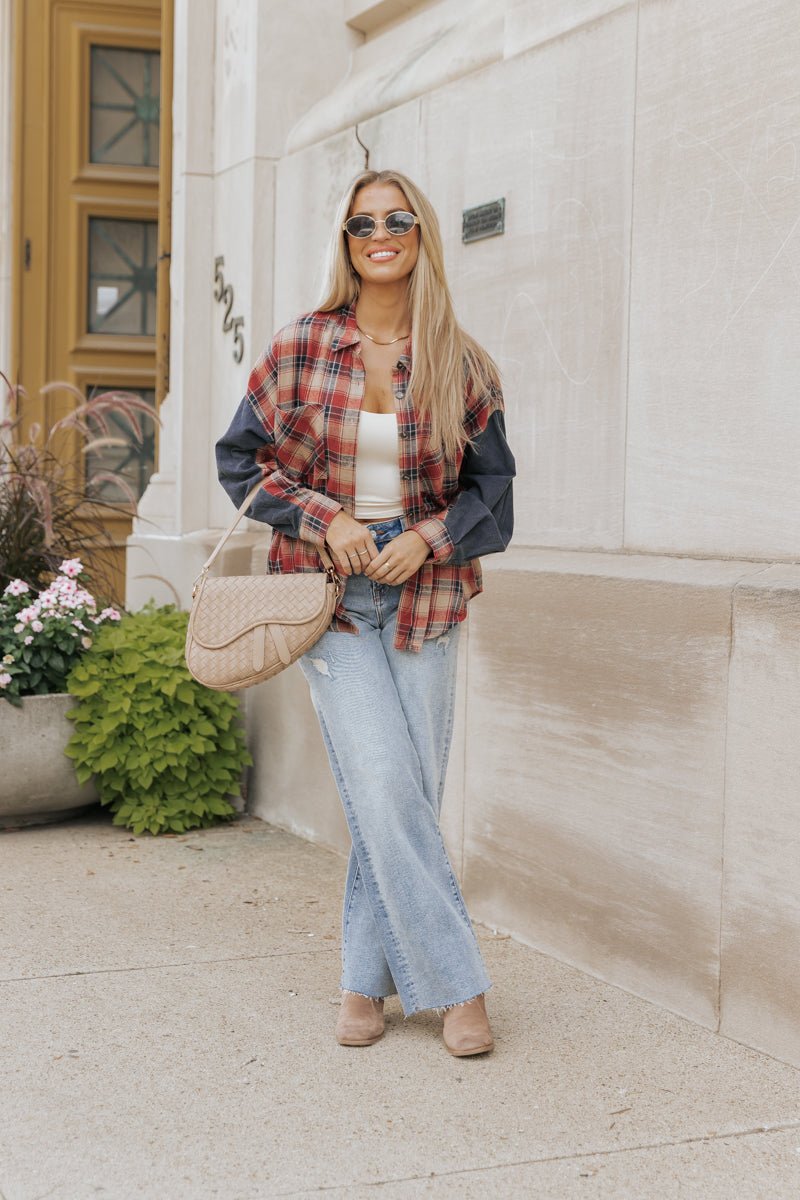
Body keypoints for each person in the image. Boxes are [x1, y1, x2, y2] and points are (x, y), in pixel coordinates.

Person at [216, 168, 515, 1056]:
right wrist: (328, 519)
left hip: (426, 598)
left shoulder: (463, 362)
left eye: (396, 220)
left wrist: (426, 537)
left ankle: (362, 980)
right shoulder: (303, 345)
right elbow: (243, 465)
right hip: (330, 603)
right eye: (360, 224)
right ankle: (458, 988)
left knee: (403, 801)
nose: (379, 234)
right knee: (384, 782)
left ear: (421, 234)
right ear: (346, 243)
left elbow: (494, 493)